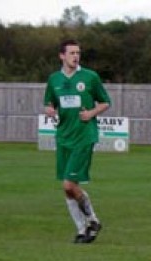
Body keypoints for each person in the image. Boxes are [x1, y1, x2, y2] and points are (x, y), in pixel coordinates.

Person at [43, 38, 111, 244]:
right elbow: (49, 103)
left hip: (84, 136)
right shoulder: (54, 79)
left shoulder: (90, 77)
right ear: (62, 56)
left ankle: (92, 219)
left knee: (69, 183)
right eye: (72, 53)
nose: (76, 56)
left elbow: (106, 102)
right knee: (67, 188)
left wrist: (91, 113)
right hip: (64, 137)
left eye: (78, 53)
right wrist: (49, 110)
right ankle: (82, 230)